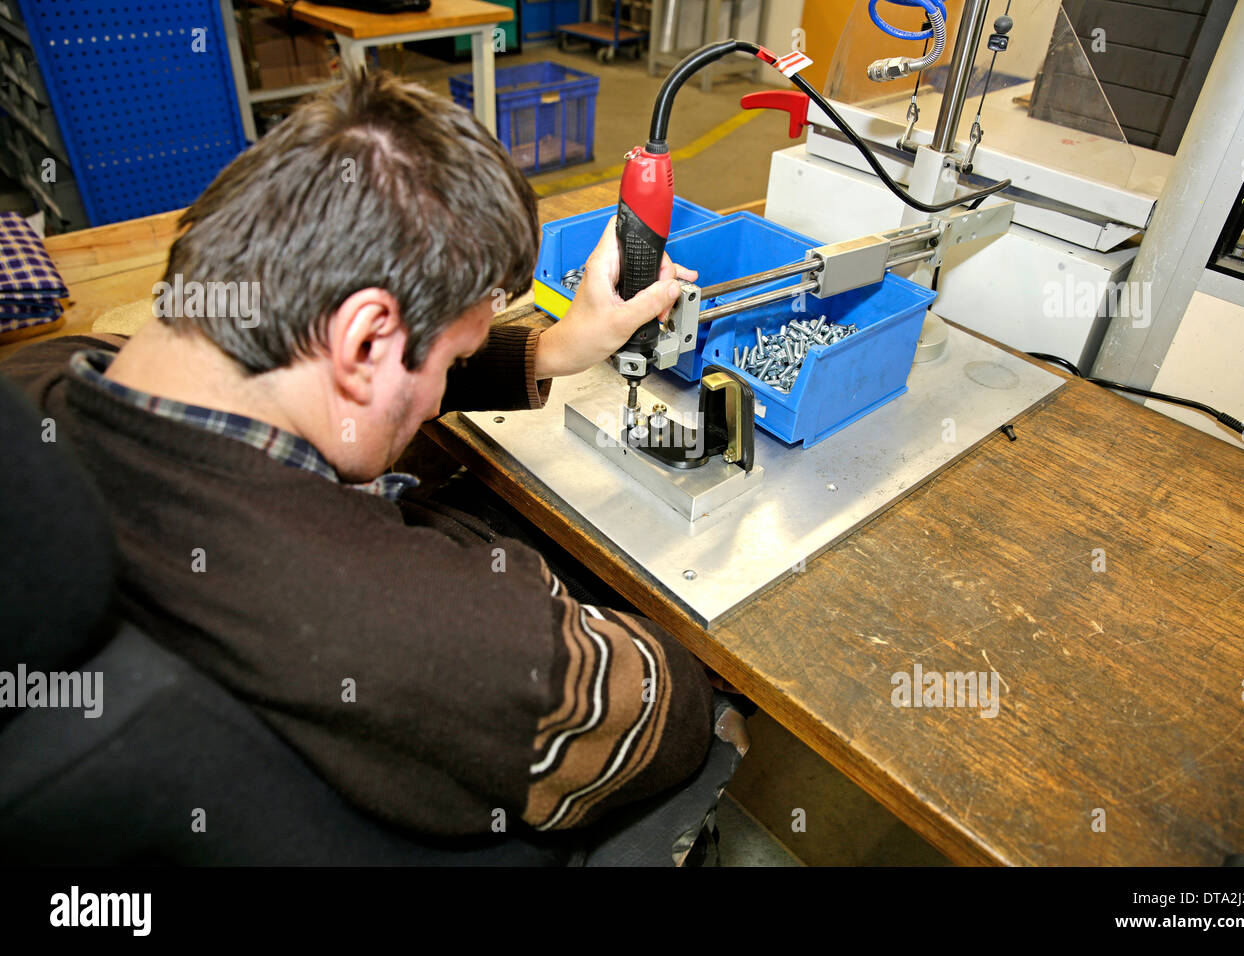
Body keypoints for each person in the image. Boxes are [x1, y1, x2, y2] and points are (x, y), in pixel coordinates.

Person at [1, 69, 740, 861]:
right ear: (364, 343)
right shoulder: (437, 636)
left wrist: (552, 346)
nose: (430, 401)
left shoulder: (44, 382)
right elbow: (663, 715)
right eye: (446, 357)